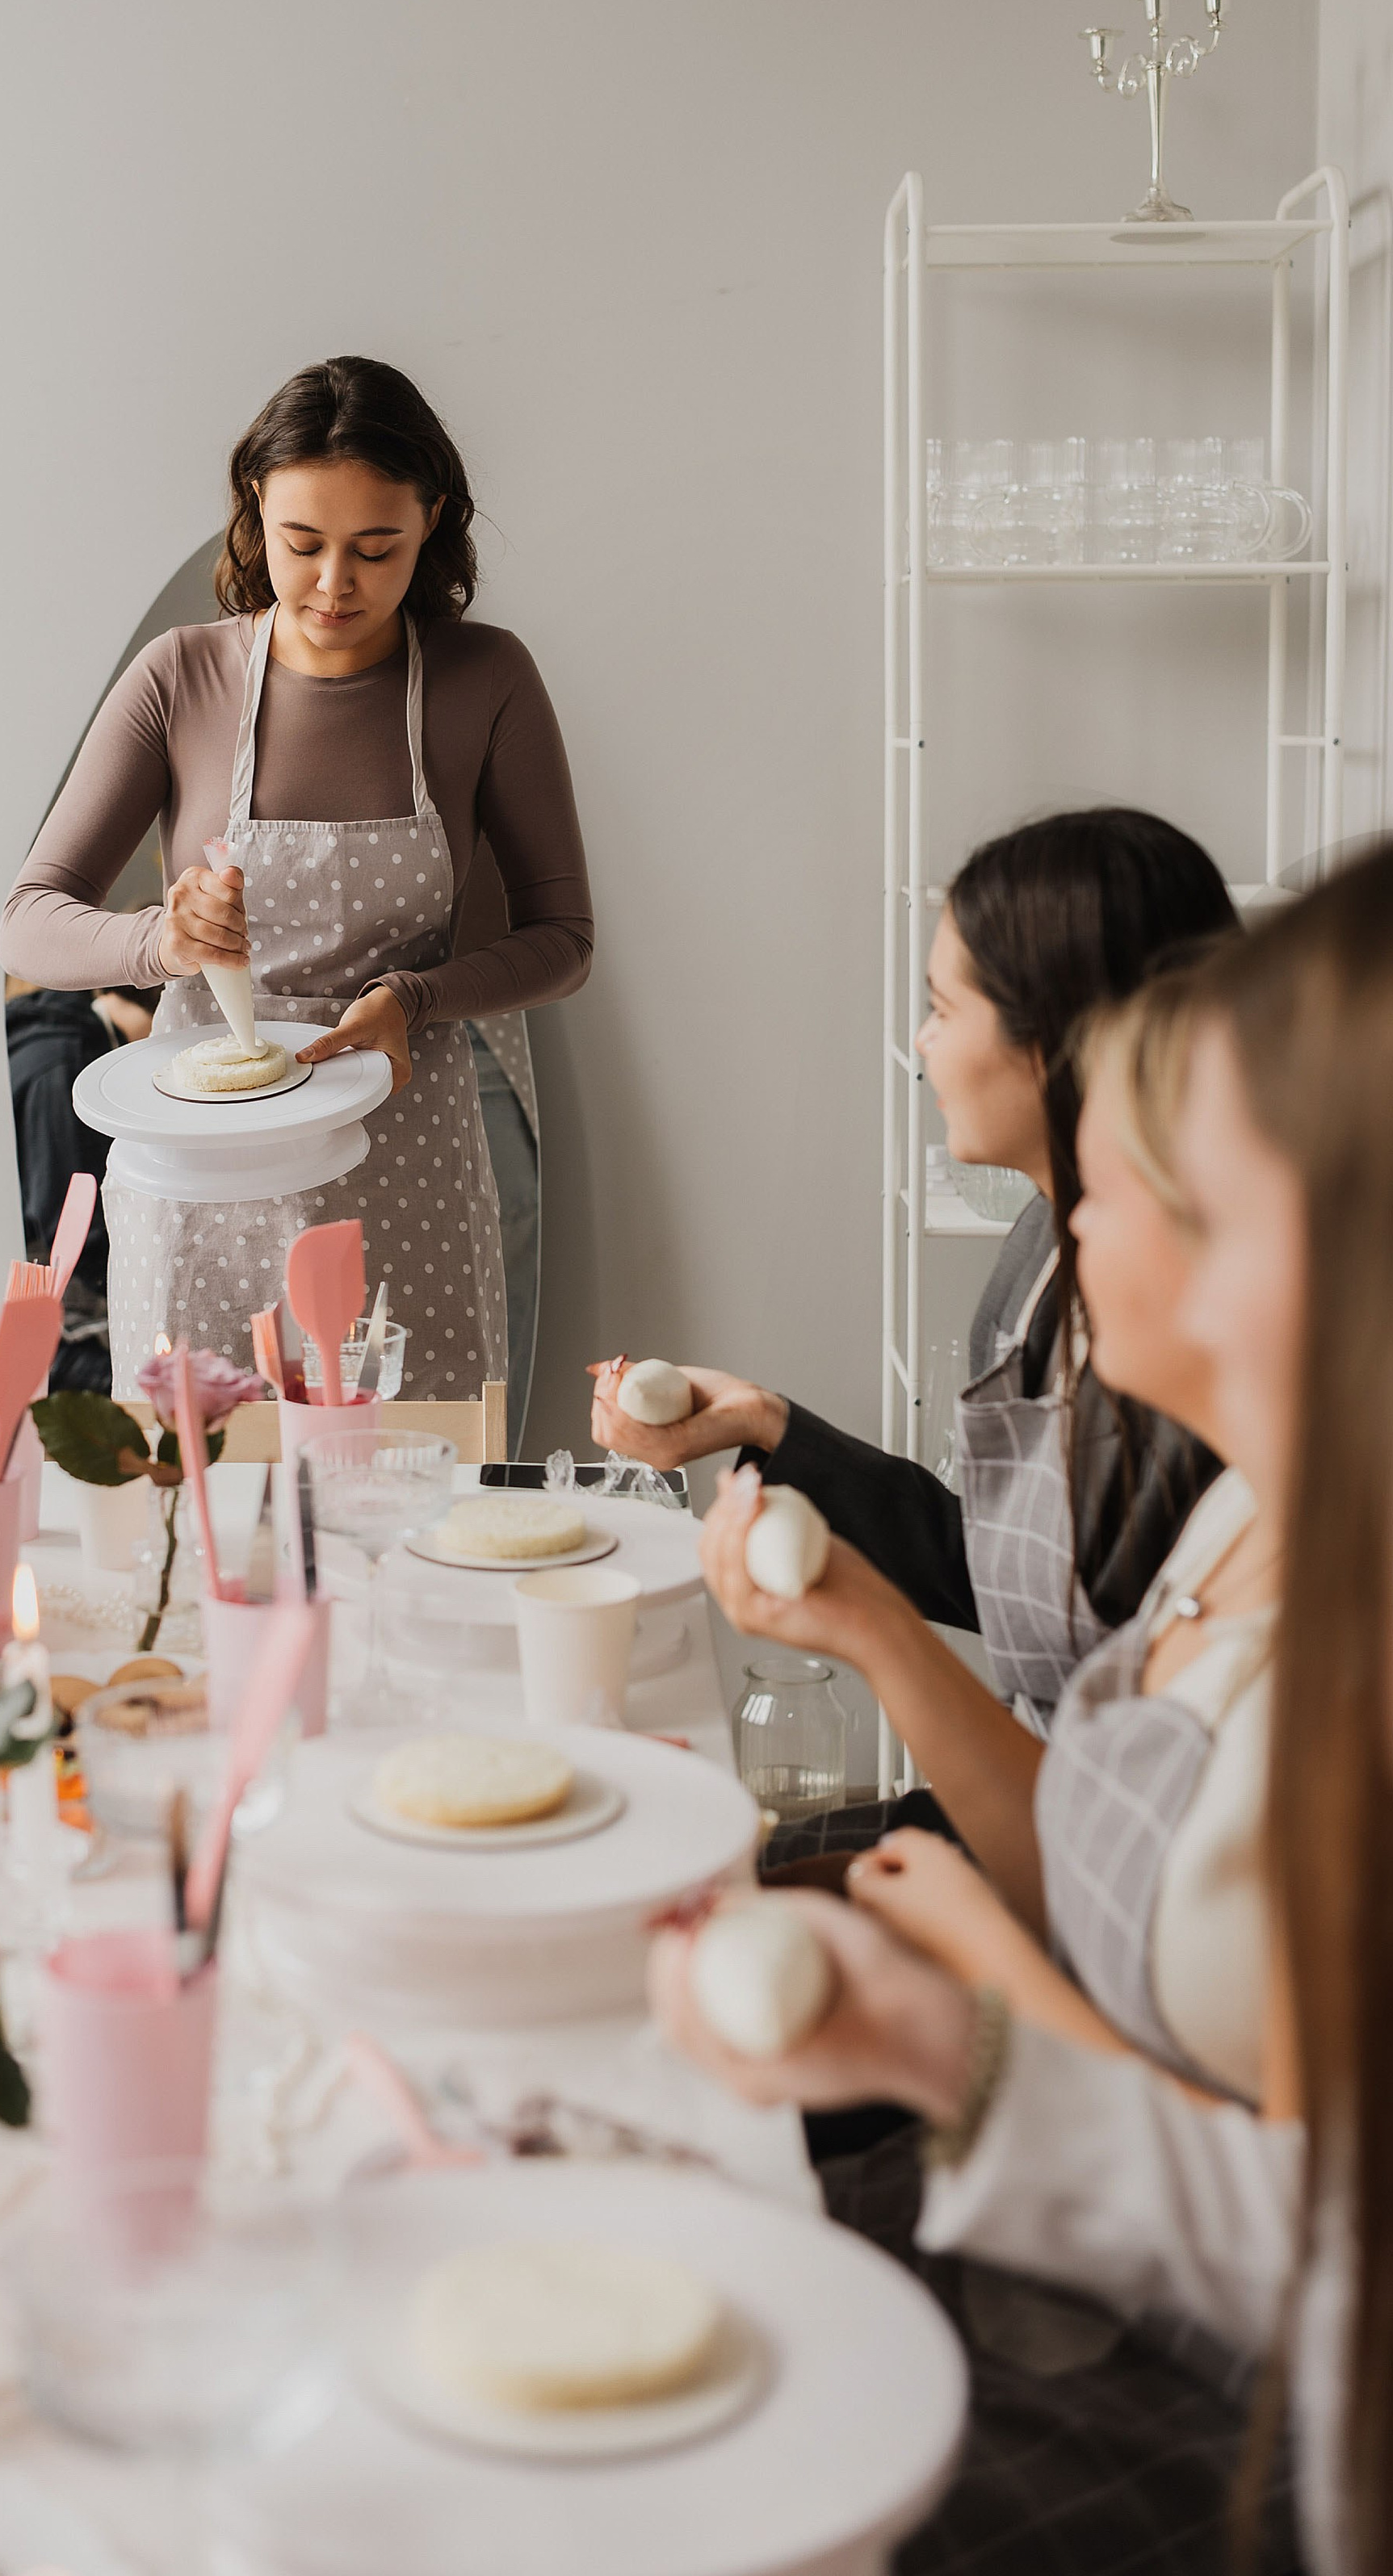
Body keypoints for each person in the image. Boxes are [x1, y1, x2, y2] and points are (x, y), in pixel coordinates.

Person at [652, 841, 1393, 2574]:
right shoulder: (1248, 1512)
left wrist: (981, 2020)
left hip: (1246, 2443)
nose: (1090, 1212)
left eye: (1185, 1182)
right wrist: (940, 2034)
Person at [699, 958, 1278, 2109]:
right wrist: (861, 1614)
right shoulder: (1231, 1517)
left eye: (1111, 1189)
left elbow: (1255, 2191)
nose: (1070, 1227)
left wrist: (970, 1969)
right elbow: (1085, 1854)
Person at [0, 356, 593, 1397]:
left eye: (376, 548)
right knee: (206, 1503)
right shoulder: (181, 677)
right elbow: (26, 925)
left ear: (433, 521)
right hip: (202, 1176)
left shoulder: (483, 679)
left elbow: (562, 937)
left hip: (404, 1148)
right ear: (253, 516)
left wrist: (416, 995)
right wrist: (162, 941)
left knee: (411, 1488)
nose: (333, 585)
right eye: (301, 544)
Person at [594, 806, 1238, 1732]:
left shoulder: (1184, 1340)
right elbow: (996, 1568)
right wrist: (765, 1424)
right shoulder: (1042, 1246)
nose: (921, 1043)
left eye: (942, 1009)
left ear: (1056, 1037)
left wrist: (869, 1630)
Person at [2, 978, 157, 1393]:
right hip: (55, 1318)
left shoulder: (48, 1034)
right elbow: (69, 1227)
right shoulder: (65, 1066)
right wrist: (143, 1286)